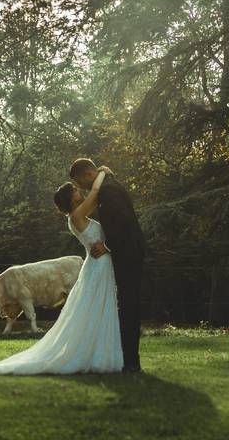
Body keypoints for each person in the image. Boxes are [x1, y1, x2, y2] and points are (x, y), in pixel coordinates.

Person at [0, 166, 123, 375]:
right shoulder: (77, 215)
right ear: (71, 200)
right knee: (96, 308)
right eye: (76, 191)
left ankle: (101, 352)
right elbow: (95, 194)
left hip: (98, 264)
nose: (80, 190)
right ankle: (94, 355)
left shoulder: (77, 214)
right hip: (98, 265)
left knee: (98, 309)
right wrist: (103, 173)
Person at [70, 158, 146, 373]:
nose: (82, 188)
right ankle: (127, 358)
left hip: (128, 253)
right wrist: (105, 173)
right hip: (127, 252)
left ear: (88, 175)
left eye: (80, 182)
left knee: (129, 305)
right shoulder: (107, 186)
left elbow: (123, 222)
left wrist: (107, 245)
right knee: (126, 304)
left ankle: (131, 361)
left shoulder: (109, 190)